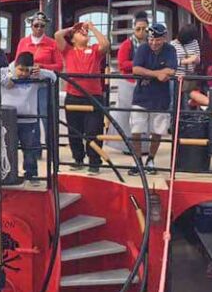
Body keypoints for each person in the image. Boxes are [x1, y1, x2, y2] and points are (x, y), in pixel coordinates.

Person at [55, 20, 110, 173]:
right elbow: (57, 35)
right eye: (79, 32)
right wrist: (72, 28)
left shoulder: (94, 51)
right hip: (73, 97)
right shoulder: (68, 51)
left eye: (84, 32)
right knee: (74, 131)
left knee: (94, 131)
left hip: (94, 97)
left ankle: (94, 162)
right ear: (73, 38)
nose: (83, 32)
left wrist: (92, 28)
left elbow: (105, 45)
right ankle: (78, 159)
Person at [0, 52, 57, 186]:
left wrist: (40, 73)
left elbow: (54, 77)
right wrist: (5, 79)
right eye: (21, 69)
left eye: (26, 70)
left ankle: (31, 174)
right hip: (8, 120)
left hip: (29, 120)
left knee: (30, 149)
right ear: (15, 66)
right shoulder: (5, 72)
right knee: (7, 149)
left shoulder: (36, 74)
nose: (23, 73)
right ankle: (7, 175)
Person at [129, 23, 177, 175]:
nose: (154, 43)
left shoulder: (170, 50)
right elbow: (135, 69)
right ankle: (138, 161)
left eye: (157, 40)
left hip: (161, 98)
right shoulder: (143, 48)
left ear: (164, 38)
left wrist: (148, 73)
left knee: (158, 131)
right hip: (141, 97)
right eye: (151, 39)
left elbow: (171, 70)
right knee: (136, 131)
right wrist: (157, 74)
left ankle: (151, 159)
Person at [15, 12, 63, 152]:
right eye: (36, 25)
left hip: (44, 86)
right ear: (31, 26)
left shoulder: (51, 44)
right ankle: (34, 149)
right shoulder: (23, 42)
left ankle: (52, 149)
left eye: (42, 25)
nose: (39, 28)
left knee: (47, 117)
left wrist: (42, 68)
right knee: (32, 118)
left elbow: (59, 66)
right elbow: (17, 61)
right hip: (28, 86)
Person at [114, 12, 149, 152]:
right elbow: (122, 64)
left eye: (144, 29)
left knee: (144, 115)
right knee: (127, 115)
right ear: (134, 28)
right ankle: (127, 146)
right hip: (129, 83)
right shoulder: (127, 44)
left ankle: (143, 146)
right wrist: (139, 64)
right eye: (138, 29)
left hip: (146, 83)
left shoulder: (150, 44)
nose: (141, 32)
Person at [170, 23, 201, 100]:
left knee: (187, 100)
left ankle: (187, 112)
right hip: (177, 77)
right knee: (176, 99)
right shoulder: (172, 44)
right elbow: (172, 62)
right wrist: (188, 60)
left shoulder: (194, 42)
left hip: (189, 76)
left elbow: (198, 59)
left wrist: (196, 59)